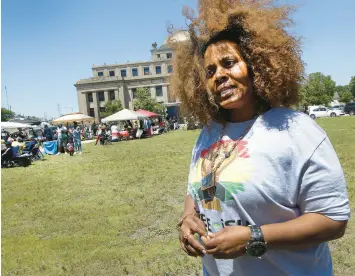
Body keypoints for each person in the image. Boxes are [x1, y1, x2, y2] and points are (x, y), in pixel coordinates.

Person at [172, 1, 350, 276]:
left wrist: (253, 237)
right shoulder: (209, 133)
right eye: (210, 71)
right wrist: (187, 218)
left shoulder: (297, 130)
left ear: (255, 66)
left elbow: (333, 220)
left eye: (229, 63)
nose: (219, 75)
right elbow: (194, 191)